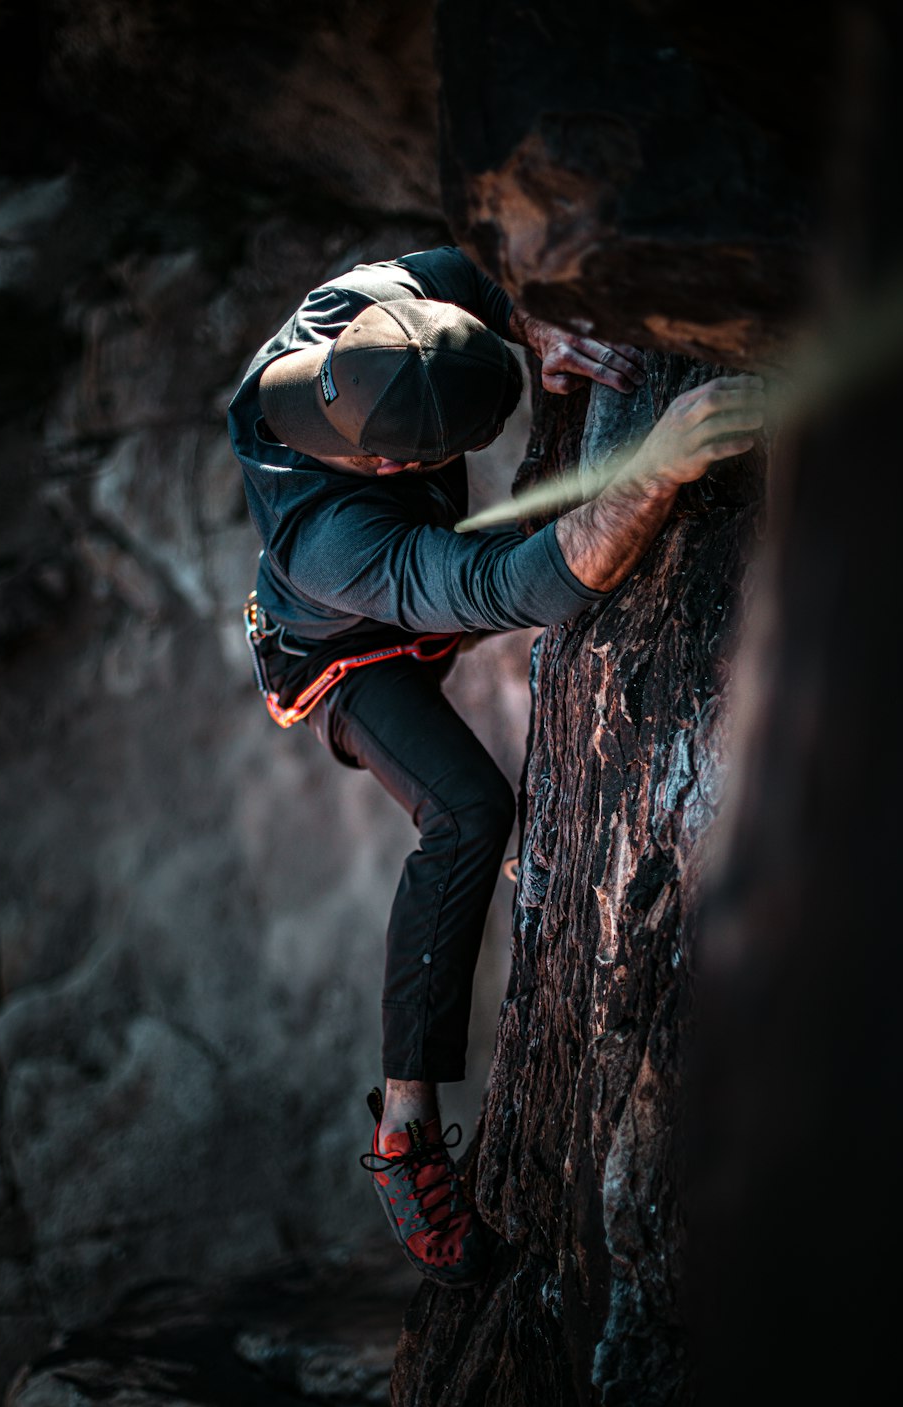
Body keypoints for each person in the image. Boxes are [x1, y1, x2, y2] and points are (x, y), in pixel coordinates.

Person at [227, 246, 764, 1287]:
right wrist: (656, 468)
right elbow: (526, 587)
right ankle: (406, 1133)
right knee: (467, 811)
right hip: (344, 656)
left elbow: (467, 270)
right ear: (391, 467)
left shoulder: (350, 311)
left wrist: (532, 324)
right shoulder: (333, 543)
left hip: (412, 561)